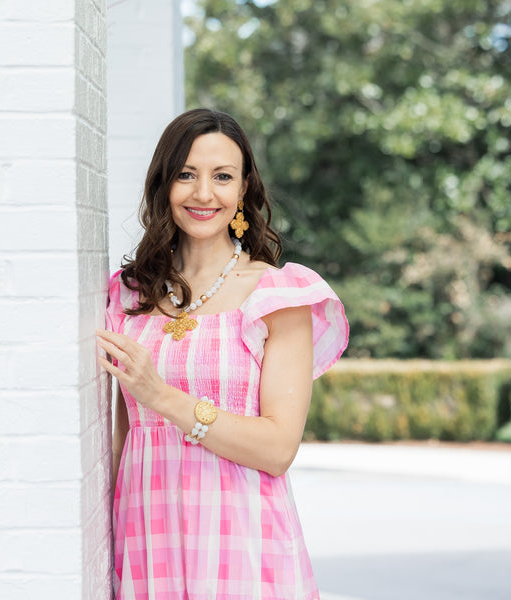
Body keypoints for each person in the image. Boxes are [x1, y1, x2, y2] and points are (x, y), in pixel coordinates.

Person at [96, 108, 349, 600]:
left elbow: (278, 450)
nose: (203, 193)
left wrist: (162, 396)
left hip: (242, 543)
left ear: (243, 189)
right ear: (163, 184)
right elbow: (121, 435)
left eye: (222, 176)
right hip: (147, 539)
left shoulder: (278, 296)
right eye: (186, 174)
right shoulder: (129, 296)